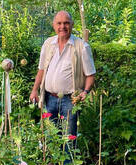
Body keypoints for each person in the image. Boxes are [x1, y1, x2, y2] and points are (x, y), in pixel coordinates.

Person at [29, 10, 96, 138]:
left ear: (72, 24)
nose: (62, 27)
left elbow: (90, 74)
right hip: (49, 99)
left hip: (70, 101)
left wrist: (85, 92)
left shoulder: (82, 46)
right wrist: (34, 90)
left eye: (66, 23)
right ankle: (54, 159)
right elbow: (41, 69)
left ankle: (69, 159)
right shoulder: (48, 44)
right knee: (51, 139)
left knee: (69, 139)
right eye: (59, 23)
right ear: (54, 25)